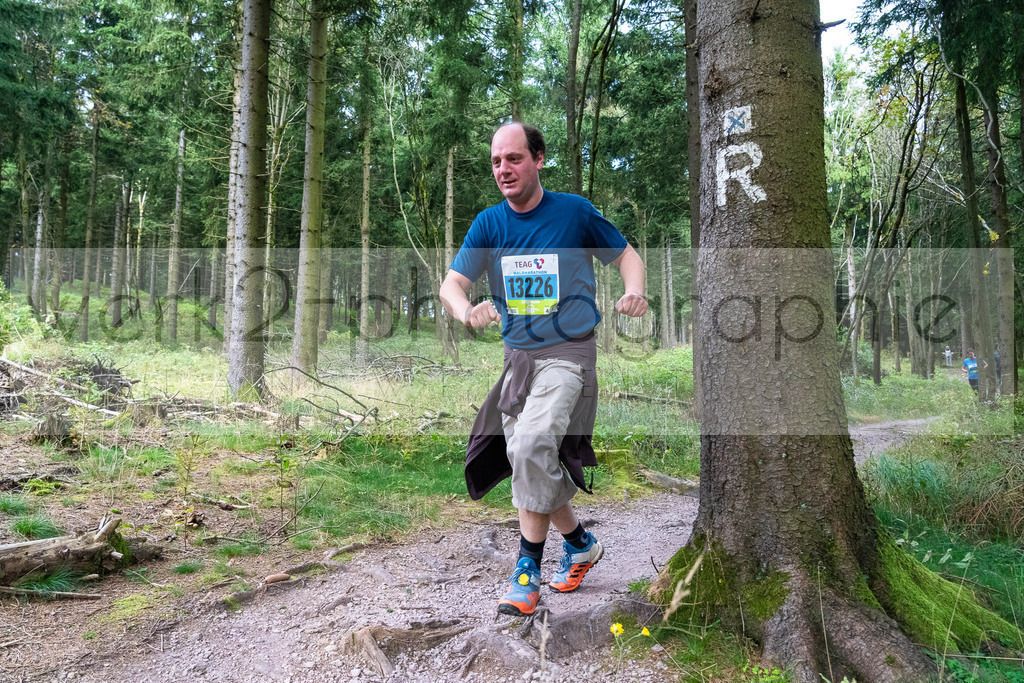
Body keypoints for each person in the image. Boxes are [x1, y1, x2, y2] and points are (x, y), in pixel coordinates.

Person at [439, 122, 647, 617]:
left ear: (537, 159)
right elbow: (452, 285)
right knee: (526, 454)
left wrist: (634, 289)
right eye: (496, 162)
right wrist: (466, 310)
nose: (503, 170)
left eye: (513, 159)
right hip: (518, 361)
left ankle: (526, 571)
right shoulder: (489, 224)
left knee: (532, 445)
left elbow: (627, 256)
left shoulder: (573, 212)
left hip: (569, 354)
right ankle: (578, 543)